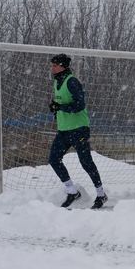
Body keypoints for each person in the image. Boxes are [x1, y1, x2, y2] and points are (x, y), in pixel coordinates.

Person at [48, 54, 107, 209]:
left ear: (63, 66)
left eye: (55, 65)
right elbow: (62, 103)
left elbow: (79, 105)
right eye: (52, 65)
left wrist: (61, 107)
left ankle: (101, 194)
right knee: (54, 159)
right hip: (63, 130)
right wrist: (55, 108)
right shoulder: (56, 82)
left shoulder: (72, 81)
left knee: (86, 162)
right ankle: (72, 191)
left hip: (79, 129)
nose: (52, 68)